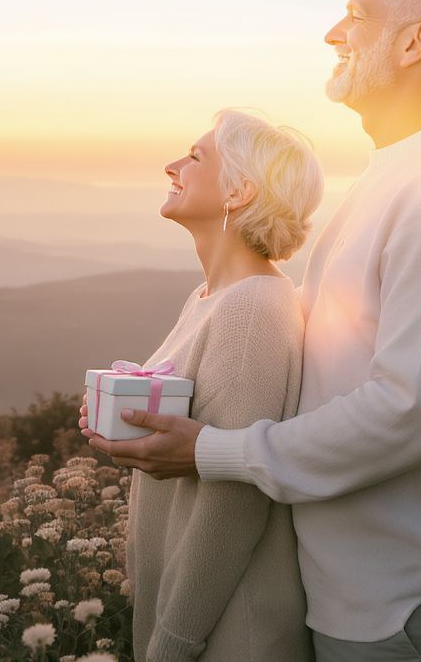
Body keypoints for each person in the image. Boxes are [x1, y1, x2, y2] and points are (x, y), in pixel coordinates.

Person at [83, 0, 421, 661]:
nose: (334, 33)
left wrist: (214, 450)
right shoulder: (401, 176)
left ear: (415, 41)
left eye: (356, 16)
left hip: (402, 601)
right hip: (355, 589)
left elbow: (412, 411)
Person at [119, 108, 323, 661]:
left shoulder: (253, 307)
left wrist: (174, 642)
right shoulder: (210, 298)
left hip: (230, 631)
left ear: (239, 192)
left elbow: (234, 502)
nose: (172, 165)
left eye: (195, 156)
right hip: (199, 619)